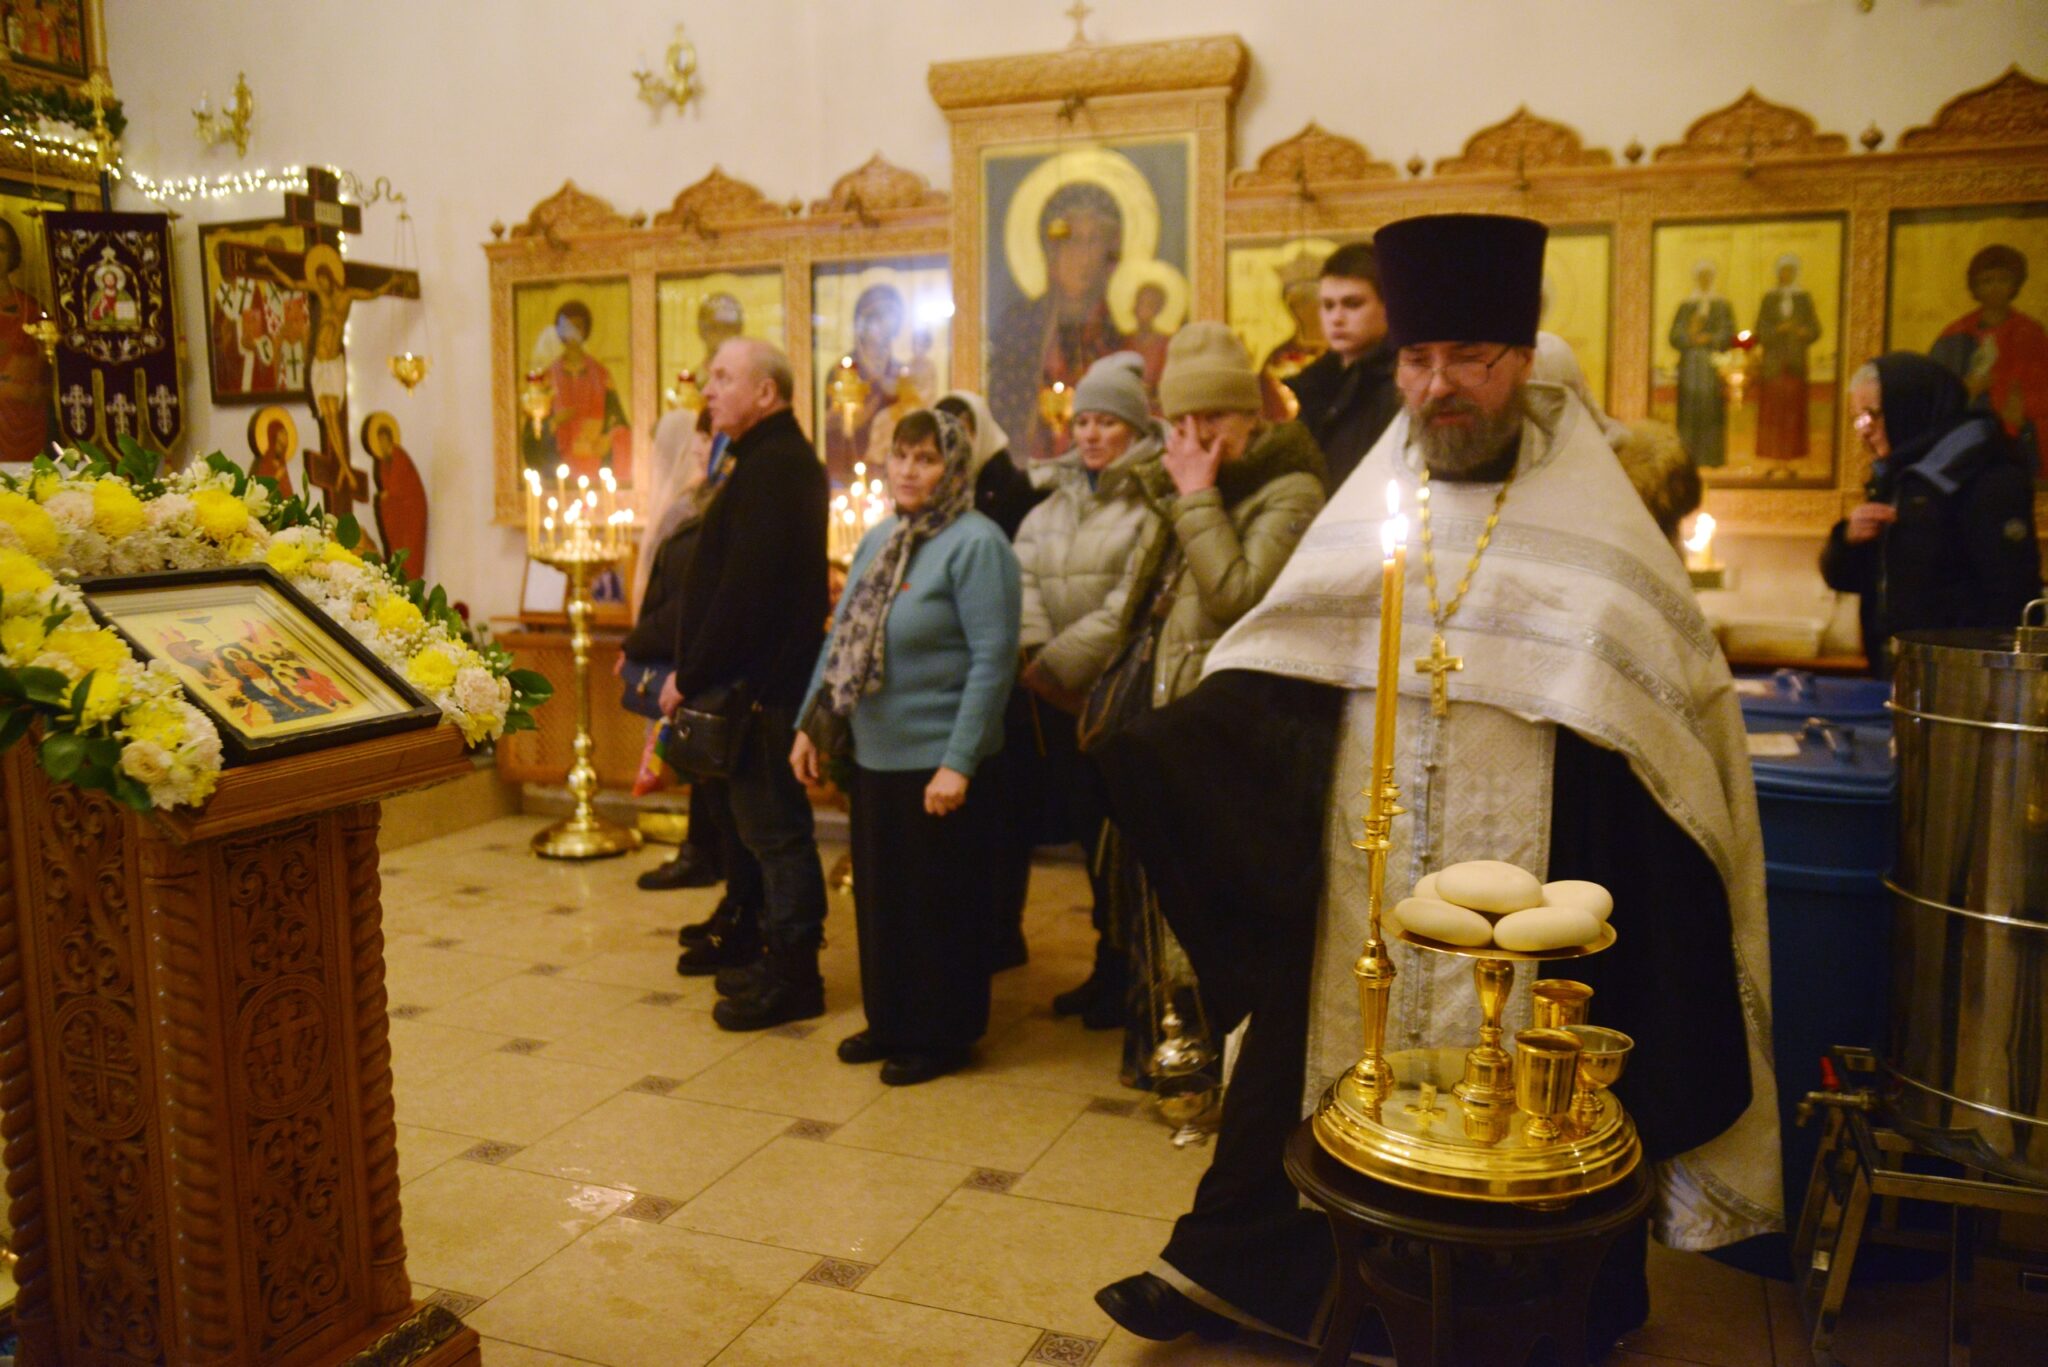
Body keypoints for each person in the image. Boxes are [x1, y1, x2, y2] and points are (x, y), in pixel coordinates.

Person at [1090, 214, 1781, 1356]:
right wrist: (1165, 750)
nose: (1438, 385)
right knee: (1311, 1049)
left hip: (1541, 861)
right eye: (1417, 358)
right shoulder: (1378, 495)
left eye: (1469, 357)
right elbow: (1286, 650)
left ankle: (1525, 1307)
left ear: (1523, 359)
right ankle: (1249, 1270)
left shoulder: (1599, 530)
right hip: (1361, 859)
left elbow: (1661, 725)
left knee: (1531, 1074)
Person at [1105, 323, 1326, 1093]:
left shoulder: (1291, 490)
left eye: (1215, 419)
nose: (1196, 438)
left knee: (1223, 909)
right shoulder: (1195, 485)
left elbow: (1238, 595)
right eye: (1182, 421)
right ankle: (1176, 1053)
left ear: (1252, 416)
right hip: (1182, 718)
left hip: (1241, 733)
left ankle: (1236, 1074)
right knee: (1168, 901)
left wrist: (1195, 496)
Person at [792, 409, 1022, 1085]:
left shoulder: (978, 544)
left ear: (954, 468)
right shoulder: (882, 537)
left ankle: (941, 1035)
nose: (909, 471)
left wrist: (959, 762)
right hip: (876, 756)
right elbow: (841, 636)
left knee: (938, 908)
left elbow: (993, 661)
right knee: (885, 902)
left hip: (939, 759)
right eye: (901, 456)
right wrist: (810, 724)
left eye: (926, 459)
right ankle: (891, 1020)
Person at [659, 339, 832, 1032]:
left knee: (777, 833)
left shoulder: (777, 466)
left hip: (763, 685)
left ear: (767, 392)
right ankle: (770, 951)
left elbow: (745, 593)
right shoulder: (763, 459)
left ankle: (796, 974)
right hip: (758, 681)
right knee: (760, 829)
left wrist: (691, 674)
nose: (709, 389)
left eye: (725, 378)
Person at [1014, 352, 1166, 1025]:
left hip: (1118, 701)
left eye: (1108, 421)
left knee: (1126, 846)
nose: (1092, 434)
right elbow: (1021, 578)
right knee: (1089, 844)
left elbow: (1130, 602)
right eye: (1084, 421)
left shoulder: (1152, 502)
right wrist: (1039, 659)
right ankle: (1107, 964)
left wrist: (1062, 667)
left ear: (1135, 428)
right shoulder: (1051, 504)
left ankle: (1134, 974)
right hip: (1058, 701)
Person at [1820, 352, 2041, 674]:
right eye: (1858, 418)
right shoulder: (1901, 474)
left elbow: (2009, 597)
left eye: (1872, 415)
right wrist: (1847, 539)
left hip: (1959, 679)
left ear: (1910, 407)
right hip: (1900, 672)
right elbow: (1854, 579)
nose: (1863, 431)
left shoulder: (1986, 474)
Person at [933, 390, 1052, 970]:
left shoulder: (1011, 488)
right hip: (953, 672)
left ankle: (1003, 930)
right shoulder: (941, 493)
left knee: (1004, 814)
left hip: (1005, 667)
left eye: (961, 426)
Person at [627, 405, 745, 905]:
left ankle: (718, 868)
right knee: (704, 767)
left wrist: (638, 642)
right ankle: (705, 855)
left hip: (705, 656)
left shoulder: (715, 508)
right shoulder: (694, 501)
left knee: (718, 769)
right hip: (685, 650)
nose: (702, 445)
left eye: (710, 434)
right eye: (699, 435)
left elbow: (689, 599)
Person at [990, 180, 1129, 463]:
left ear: (1110, 253)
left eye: (1094, 241)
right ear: (1050, 251)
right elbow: (1005, 415)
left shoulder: (1122, 331)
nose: (1083, 257)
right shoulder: (1020, 325)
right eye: (1072, 241)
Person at [1283, 242, 1402, 493]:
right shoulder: (1309, 387)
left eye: (1352, 304)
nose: (1336, 318)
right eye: (1328, 305)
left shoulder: (1402, 383)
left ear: (1387, 307)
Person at [1931, 244, 2048, 478]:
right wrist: (1966, 391)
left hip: (2017, 445)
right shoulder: (1955, 337)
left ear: (2015, 284)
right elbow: (1933, 397)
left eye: (2003, 279)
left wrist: (2023, 417)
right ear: (1975, 287)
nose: (1995, 288)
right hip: (1966, 446)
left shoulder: (2031, 334)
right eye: (1986, 281)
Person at [824, 283, 908, 486]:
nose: (883, 327)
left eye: (889, 319)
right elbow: (833, 428)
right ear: (861, 324)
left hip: (893, 475)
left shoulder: (901, 372)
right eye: (876, 318)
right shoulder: (843, 370)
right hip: (847, 475)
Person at [1752, 253, 1821, 464]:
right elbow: (1759, 331)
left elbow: (1815, 329)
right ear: (1778, 273)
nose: (1786, 275)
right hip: (1773, 365)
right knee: (1773, 409)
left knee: (1793, 408)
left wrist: (1801, 331)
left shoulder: (1803, 298)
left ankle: (1794, 453)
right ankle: (1772, 452)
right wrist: (1778, 330)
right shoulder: (1769, 299)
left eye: (1790, 271)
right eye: (1783, 271)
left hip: (1795, 363)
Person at [1669, 260, 1737, 468]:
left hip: (1712, 367)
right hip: (1690, 366)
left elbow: (1730, 334)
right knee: (1689, 411)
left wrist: (1710, 338)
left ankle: (1712, 458)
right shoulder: (1686, 306)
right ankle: (1687, 459)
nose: (1705, 280)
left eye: (1708, 276)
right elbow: (1674, 336)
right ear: (1697, 278)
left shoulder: (1722, 305)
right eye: (1701, 276)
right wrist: (1689, 337)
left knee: (1711, 410)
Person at [0, 218, 51, 464]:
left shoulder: (30, 309)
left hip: (25, 418)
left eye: (1, 248)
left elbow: (45, 369)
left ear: (12, 254)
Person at [1258, 252, 1327, 419]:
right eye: (1298, 303)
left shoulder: (1345, 352)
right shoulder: (1277, 358)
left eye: (1310, 300)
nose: (1305, 309)